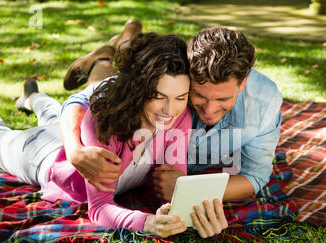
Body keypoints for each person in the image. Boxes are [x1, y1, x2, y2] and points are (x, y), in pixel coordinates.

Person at [0, 32, 228, 239]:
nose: (170, 110)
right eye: (159, 97)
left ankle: (32, 97)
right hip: (42, 155)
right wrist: (148, 223)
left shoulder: (181, 116)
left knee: (54, 116)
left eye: (180, 97)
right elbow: (98, 208)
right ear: (139, 89)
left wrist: (179, 211)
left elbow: (173, 186)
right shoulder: (105, 119)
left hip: (66, 131)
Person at [62, 23, 283, 204]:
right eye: (199, 96)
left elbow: (255, 176)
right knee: (111, 81)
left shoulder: (264, 101)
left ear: (243, 83)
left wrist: (189, 189)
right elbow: (80, 100)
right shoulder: (177, 73)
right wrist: (75, 151)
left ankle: (113, 49)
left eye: (223, 99)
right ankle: (118, 46)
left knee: (116, 68)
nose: (209, 109)